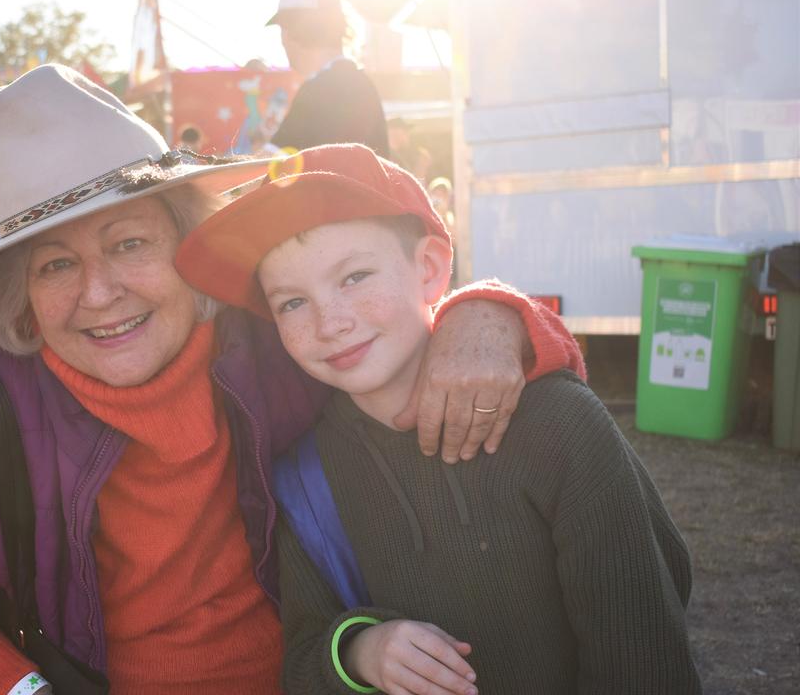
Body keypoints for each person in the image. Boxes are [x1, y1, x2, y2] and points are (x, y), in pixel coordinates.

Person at [0, 65, 583, 694]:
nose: (99, 294)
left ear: (190, 245)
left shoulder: (277, 330)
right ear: (21, 291)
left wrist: (490, 317)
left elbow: (425, 334)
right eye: (56, 265)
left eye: (129, 243)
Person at [176, 144, 700, 694]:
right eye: (291, 303)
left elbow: (646, 653)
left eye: (354, 277)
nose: (330, 322)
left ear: (427, 270)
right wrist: (359, 651)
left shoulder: (556, 423)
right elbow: (303, 658)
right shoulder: (303, 477)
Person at [268, 0, 390, 156]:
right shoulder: (362, 85)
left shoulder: (318, 90)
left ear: (290, 31)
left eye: (282, 28)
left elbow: (264, 167)